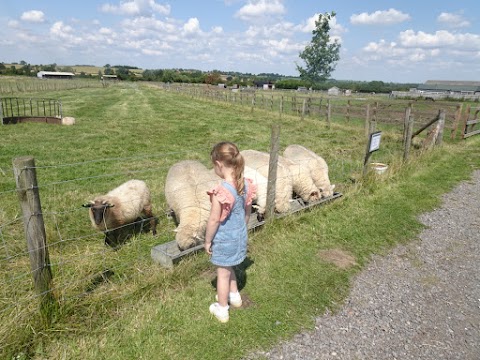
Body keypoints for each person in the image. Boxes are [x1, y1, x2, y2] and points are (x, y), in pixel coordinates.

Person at [204, 142, 256, 323]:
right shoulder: (246, 185)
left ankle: (222, 309)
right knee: (230, 266)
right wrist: (240, 228)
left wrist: (208, 240)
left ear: (219, 164)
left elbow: (213, 220)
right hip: (240, 235)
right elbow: (247, 213)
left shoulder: (222, 192)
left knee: (222, 274)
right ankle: (235, 297)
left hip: (225, 240)